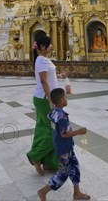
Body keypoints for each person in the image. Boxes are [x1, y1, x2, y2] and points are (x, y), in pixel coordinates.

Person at [37, 88, 90, 201]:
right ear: (61, 100)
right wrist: (79, 132)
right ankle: (43, 192)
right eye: (65, 97)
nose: (67, 98)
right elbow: (64, 133)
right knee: (62, 174)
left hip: (67, 148)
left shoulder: (54, 111)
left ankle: (77, 193)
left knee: (75, 168)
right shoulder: (61, 116)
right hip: (63, 150)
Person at [27, 35, 64, 174]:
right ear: (42, 47)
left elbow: (48, 77)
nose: (51, 46)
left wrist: (59, 76)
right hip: (44, 98)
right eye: (49, 44)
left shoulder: (44, 59)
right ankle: (36, 157)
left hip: (44, 97)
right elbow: (43, 81)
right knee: (54, 129)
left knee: (42, 127)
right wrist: (50, 100)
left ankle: (49, 162)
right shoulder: (41, 60)